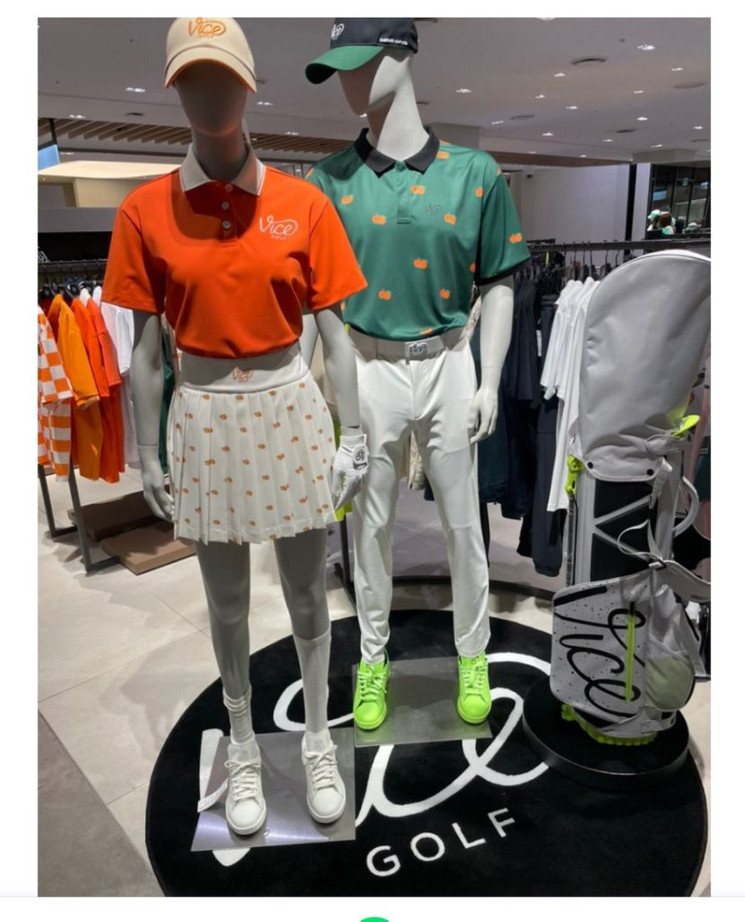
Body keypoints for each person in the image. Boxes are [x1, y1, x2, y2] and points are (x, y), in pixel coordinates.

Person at [101, 18, 369, 836]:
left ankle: (317, 739)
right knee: (225, 604)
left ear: (250, 84)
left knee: (308, 594)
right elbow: (146, 353)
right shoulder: (144, 211)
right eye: (190, 78)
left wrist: (354, 434)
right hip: (205, 412)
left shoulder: (303, 202)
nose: (207, 93)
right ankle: (245, 743)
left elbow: (337, 337)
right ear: (172, 88)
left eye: (221, 76)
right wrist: (149, 453)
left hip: (290, 405)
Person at [305, 19, 531, 731]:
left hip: (449, 362)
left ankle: (473, 653)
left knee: (464, 523)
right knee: (369, 525)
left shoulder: (475, 172)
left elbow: (499, 281)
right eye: (338, 68)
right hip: (366, 367)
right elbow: (318, 303)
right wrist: (319, 392)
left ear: (402, 53)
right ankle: (372, 659)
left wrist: (489, 379)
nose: (347, 82)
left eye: (359, 63)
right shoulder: (327, 181)